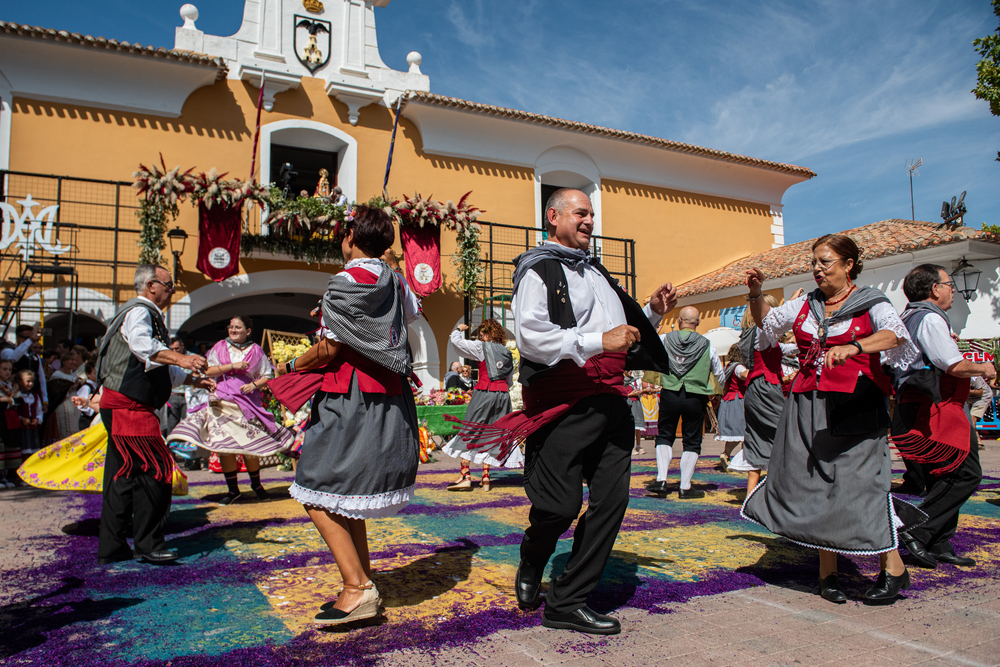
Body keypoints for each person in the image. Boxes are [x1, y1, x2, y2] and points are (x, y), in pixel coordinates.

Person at [455, 188, 676, 635]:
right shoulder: (539, 270)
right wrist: (599, 342)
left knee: (612, 501)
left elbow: (619, 332)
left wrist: (650, 313)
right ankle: (534, 557)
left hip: (611, 398)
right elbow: (533, 339)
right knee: (559, 506)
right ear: (553, 217)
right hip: (561, 402)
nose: (589, 220)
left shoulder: (598, 272)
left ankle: (567, 600)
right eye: (580, 212)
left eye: (592, 213)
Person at [741, 235, 925, 604]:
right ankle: (828, 573)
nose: (817, 269)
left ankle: (894, 568)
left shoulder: (871, 302)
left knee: (862, 486)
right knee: (814, 485)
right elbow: (768, 326)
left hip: (856, 406)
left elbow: (895, 335)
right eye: (814, 262)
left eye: (825, 262)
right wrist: (756, 294)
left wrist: (855, 346)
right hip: (807, 406)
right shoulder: (805, 305)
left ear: (849, 264)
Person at [268, 204, 420, 626]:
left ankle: (356, 588)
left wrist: (284, 368)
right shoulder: (397, 282)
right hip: (388, 394)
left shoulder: (344, 281)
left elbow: (331, 349)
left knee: (314, 484)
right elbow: (402, 327)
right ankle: (361, 581)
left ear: (350, 237)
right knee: (344, 495)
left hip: (348, 393)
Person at [94, 264, 213, 565]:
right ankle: (148, 544)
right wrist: (183, 358)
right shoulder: (139, 311)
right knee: (156, 472)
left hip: (123, 404)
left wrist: (191, 378)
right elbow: (142, 347)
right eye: (169, 285)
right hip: (129, 407)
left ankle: (112, 545)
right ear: (151, 286)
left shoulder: (143, 313)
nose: (172, 290)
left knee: (122, 476)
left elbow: (156, 367)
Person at [890, 264, 994, 569]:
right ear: (935, 288)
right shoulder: (930, 318)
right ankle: (920, 532)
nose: (952, 290)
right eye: (949, 284)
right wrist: (984, 367)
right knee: (966, 473)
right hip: (937, 408)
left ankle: (939, 542)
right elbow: (952, 365)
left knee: (945, 475)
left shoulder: (908, 317)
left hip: (918, 406)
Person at [168, 316, 294, 504]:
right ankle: (233, 490)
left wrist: (253, 385)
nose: (233, 330)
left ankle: (257, 485)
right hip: (222, 403)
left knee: (250, 447)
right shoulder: (219, 347)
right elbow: (208, 371)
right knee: (225, 448)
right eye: (231, 327)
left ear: (248, 331)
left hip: (247, 404)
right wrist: (232, 366)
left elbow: (267, 375)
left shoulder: (256, 351)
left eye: (237, 327)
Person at [649, 306, 724, 499]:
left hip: (670, 393)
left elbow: (653, 358)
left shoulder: (665, 339)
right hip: (695, 396)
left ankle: (661, 480)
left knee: (665, 435)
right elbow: (719, 373)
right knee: (692, 440)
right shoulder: (708, 344)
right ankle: (685, 486)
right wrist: (714, 393)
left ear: (679, 320)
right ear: (698, 322)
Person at [442, 320, 518, 491]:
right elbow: (509, 379)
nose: (479, 337)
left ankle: (465, 475)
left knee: (470, 430)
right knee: (492, 432)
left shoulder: (481, 347)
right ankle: (485, 476)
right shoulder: (506, 352)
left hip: (485, 391)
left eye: (481, 334)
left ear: (485, 334)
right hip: (502, 394)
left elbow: (457, 342)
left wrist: (457, 329)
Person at [730, 296, 796, 492]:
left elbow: (786, 348)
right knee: (786, 433)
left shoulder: (758, 337)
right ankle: (784, 489)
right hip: (765, 388)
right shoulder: (762, 330)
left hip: (756, 389)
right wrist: (791, 304)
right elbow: (773, 328)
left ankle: (752, 494)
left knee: (758, 438)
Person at [715, 343, 748, 471]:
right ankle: (744, 459)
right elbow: (743, 375)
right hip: (738, 400)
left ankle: (726, 454)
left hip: (729, 400)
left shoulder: (728, 366)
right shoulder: (739, 367)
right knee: (745, 431)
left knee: (736, 432)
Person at [2, 325, 48, 417]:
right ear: (18, 337)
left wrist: (45, 401)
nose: (30, 340)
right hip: (15, 396)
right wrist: (30, 340)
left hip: (32, 395)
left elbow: (41, 379)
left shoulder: (35, 356)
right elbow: (14, 357)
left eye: (32, 338)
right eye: (26, 338)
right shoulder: (8, 351)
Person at [0, 359, 22, 488]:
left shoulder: (12, 385)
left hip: (11, 420)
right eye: (4, 369)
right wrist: (7, 400)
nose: (8, 372)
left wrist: (8, 400)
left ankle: (9, 477)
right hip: (1, 419)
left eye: (9, 369)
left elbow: (20, 401)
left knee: (10, 448)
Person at [162, 337, 190, 437]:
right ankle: (170, 451)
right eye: (172, 349)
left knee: (187, 425)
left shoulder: (192, 357)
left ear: (182, 345)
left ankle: (185, 451)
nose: (174, 351)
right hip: (172, 396)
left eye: (177, 349)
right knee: (172, 425)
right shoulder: (168, 358)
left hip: (187, 397)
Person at [16, 370, 43, 455]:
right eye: (28, 381)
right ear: (20, 381)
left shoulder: (35, 396)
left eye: (32, 381)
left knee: (34, 451)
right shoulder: (17, 396)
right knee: (23, 451)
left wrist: (38, 419)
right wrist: (21, 418)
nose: (30, 384)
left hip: (33, 429)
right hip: (22, 428)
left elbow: (39, 410)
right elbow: (14, 411)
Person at [968, 375, 992, 450]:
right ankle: (979, 443)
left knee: (972, 420)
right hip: (969, 398)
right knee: (966, 419)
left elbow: (980, 392)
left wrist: (964, 390)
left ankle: (973, 443)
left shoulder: (974, 377)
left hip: (983, 398)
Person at [75, 362, 99, 433]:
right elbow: (81, 405)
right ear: (88, 374)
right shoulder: (86, 387)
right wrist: (92, 409)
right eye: (94, 373)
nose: (97, 375)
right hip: (87, 419)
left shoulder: (97, 386)